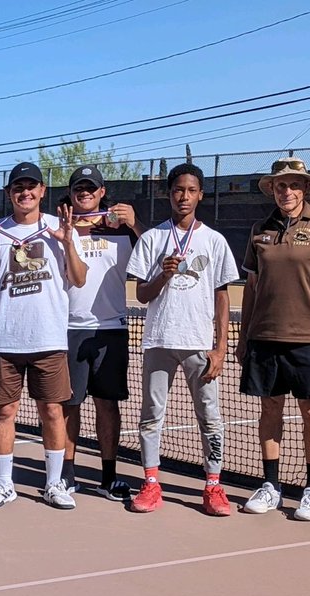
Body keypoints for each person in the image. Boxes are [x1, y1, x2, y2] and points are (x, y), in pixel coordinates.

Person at [0, 162, 87, 510]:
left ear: (42, 190)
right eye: (18, 187)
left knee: (52, 411)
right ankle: (4, 483)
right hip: (3, 339)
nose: (25, 193)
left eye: (31, 186)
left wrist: (68, 244)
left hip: (48, 339)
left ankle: (54, 483)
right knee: (3, 413)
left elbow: (78, 279)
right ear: (9, 193)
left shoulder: (60, 229)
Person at [237, 158, 310, 521]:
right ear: (272, 189)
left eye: (294, 185)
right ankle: (271, 486)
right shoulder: (260, 230)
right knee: (269, 409)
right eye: (280, 185)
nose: (287, 191)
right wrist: (243, 337)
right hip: (265, 337)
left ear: (305, 189)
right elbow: (252, 288)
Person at [125, 163, 239, 516]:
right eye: (178, 190)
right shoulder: (152, 239)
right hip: (159, 340)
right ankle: (151, 483)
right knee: (151, 415)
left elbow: (222, 297)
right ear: (169, 194)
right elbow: (142, 295)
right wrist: (163, 274)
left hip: (199, 344)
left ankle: (213, 486)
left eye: (191, 190)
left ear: (200, 194)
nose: (184, 196)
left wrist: (220, 347)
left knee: (210, 416)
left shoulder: (215, 241)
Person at [58, 166, 142, 501]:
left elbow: (158, 251)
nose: (85, 193)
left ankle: (109, 478)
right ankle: (66, 475)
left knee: (108, 406)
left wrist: (135, 222)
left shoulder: (123, 228)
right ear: (72, 192)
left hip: (111, 331)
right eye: (79, 188)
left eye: (91, 188)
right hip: (67, 329)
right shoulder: (59, 229)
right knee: (69, 405)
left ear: (102, 192)